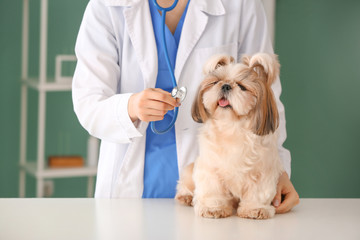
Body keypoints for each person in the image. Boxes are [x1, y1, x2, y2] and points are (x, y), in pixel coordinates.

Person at [72, 0, 299, 213]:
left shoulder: (241, 5)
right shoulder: (106, 6)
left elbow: (266, 96)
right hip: (130, 190)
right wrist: (130, 107)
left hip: (216, 194)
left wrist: (277, 170)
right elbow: (89, 102)